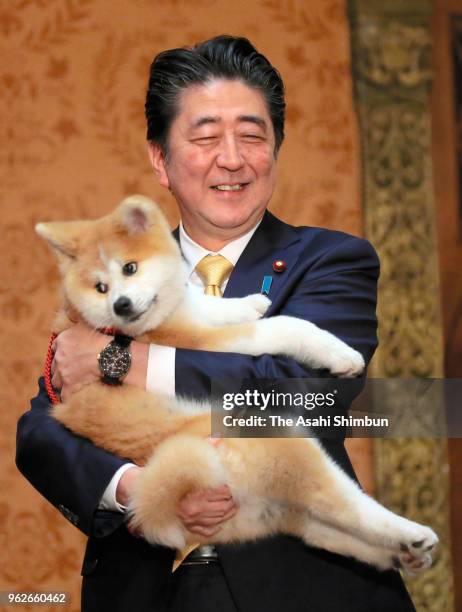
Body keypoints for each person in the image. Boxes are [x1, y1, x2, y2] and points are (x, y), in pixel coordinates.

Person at [16, 35, 416, 611]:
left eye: (253, 135)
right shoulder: (115, 277)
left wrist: (129, 363)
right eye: (205, 137)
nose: (232, 158)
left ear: (276, 147)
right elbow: (43, 429)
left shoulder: (331, 260)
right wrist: (135, 488)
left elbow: (302, 396)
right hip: (145, 589)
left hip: (302, 587)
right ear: (160, 159)